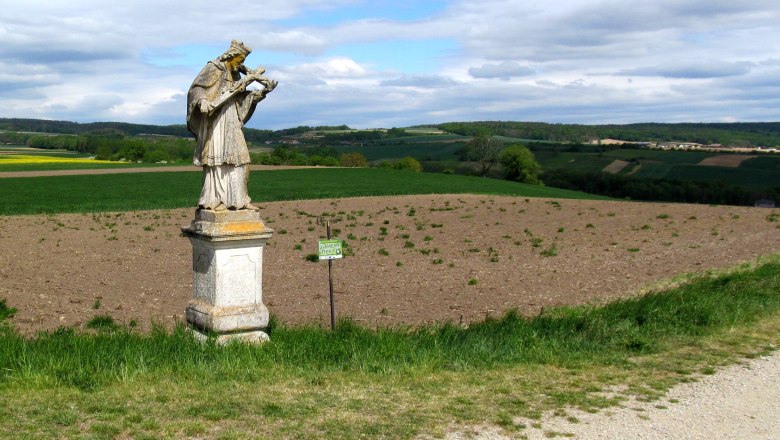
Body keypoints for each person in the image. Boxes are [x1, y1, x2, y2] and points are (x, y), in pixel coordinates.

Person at [186, 40, 276, 211]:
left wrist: (262, 93)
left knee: (241, 159)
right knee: (217, 157)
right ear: (231, 56)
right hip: (216, 119)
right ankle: (215, 200)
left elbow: (240, 98)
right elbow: (196, 89)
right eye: (240, 60)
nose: (241, 64)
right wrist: (202, 100)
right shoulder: (214, 67)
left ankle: (239, 200)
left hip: (232, 118)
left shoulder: (235, 74)